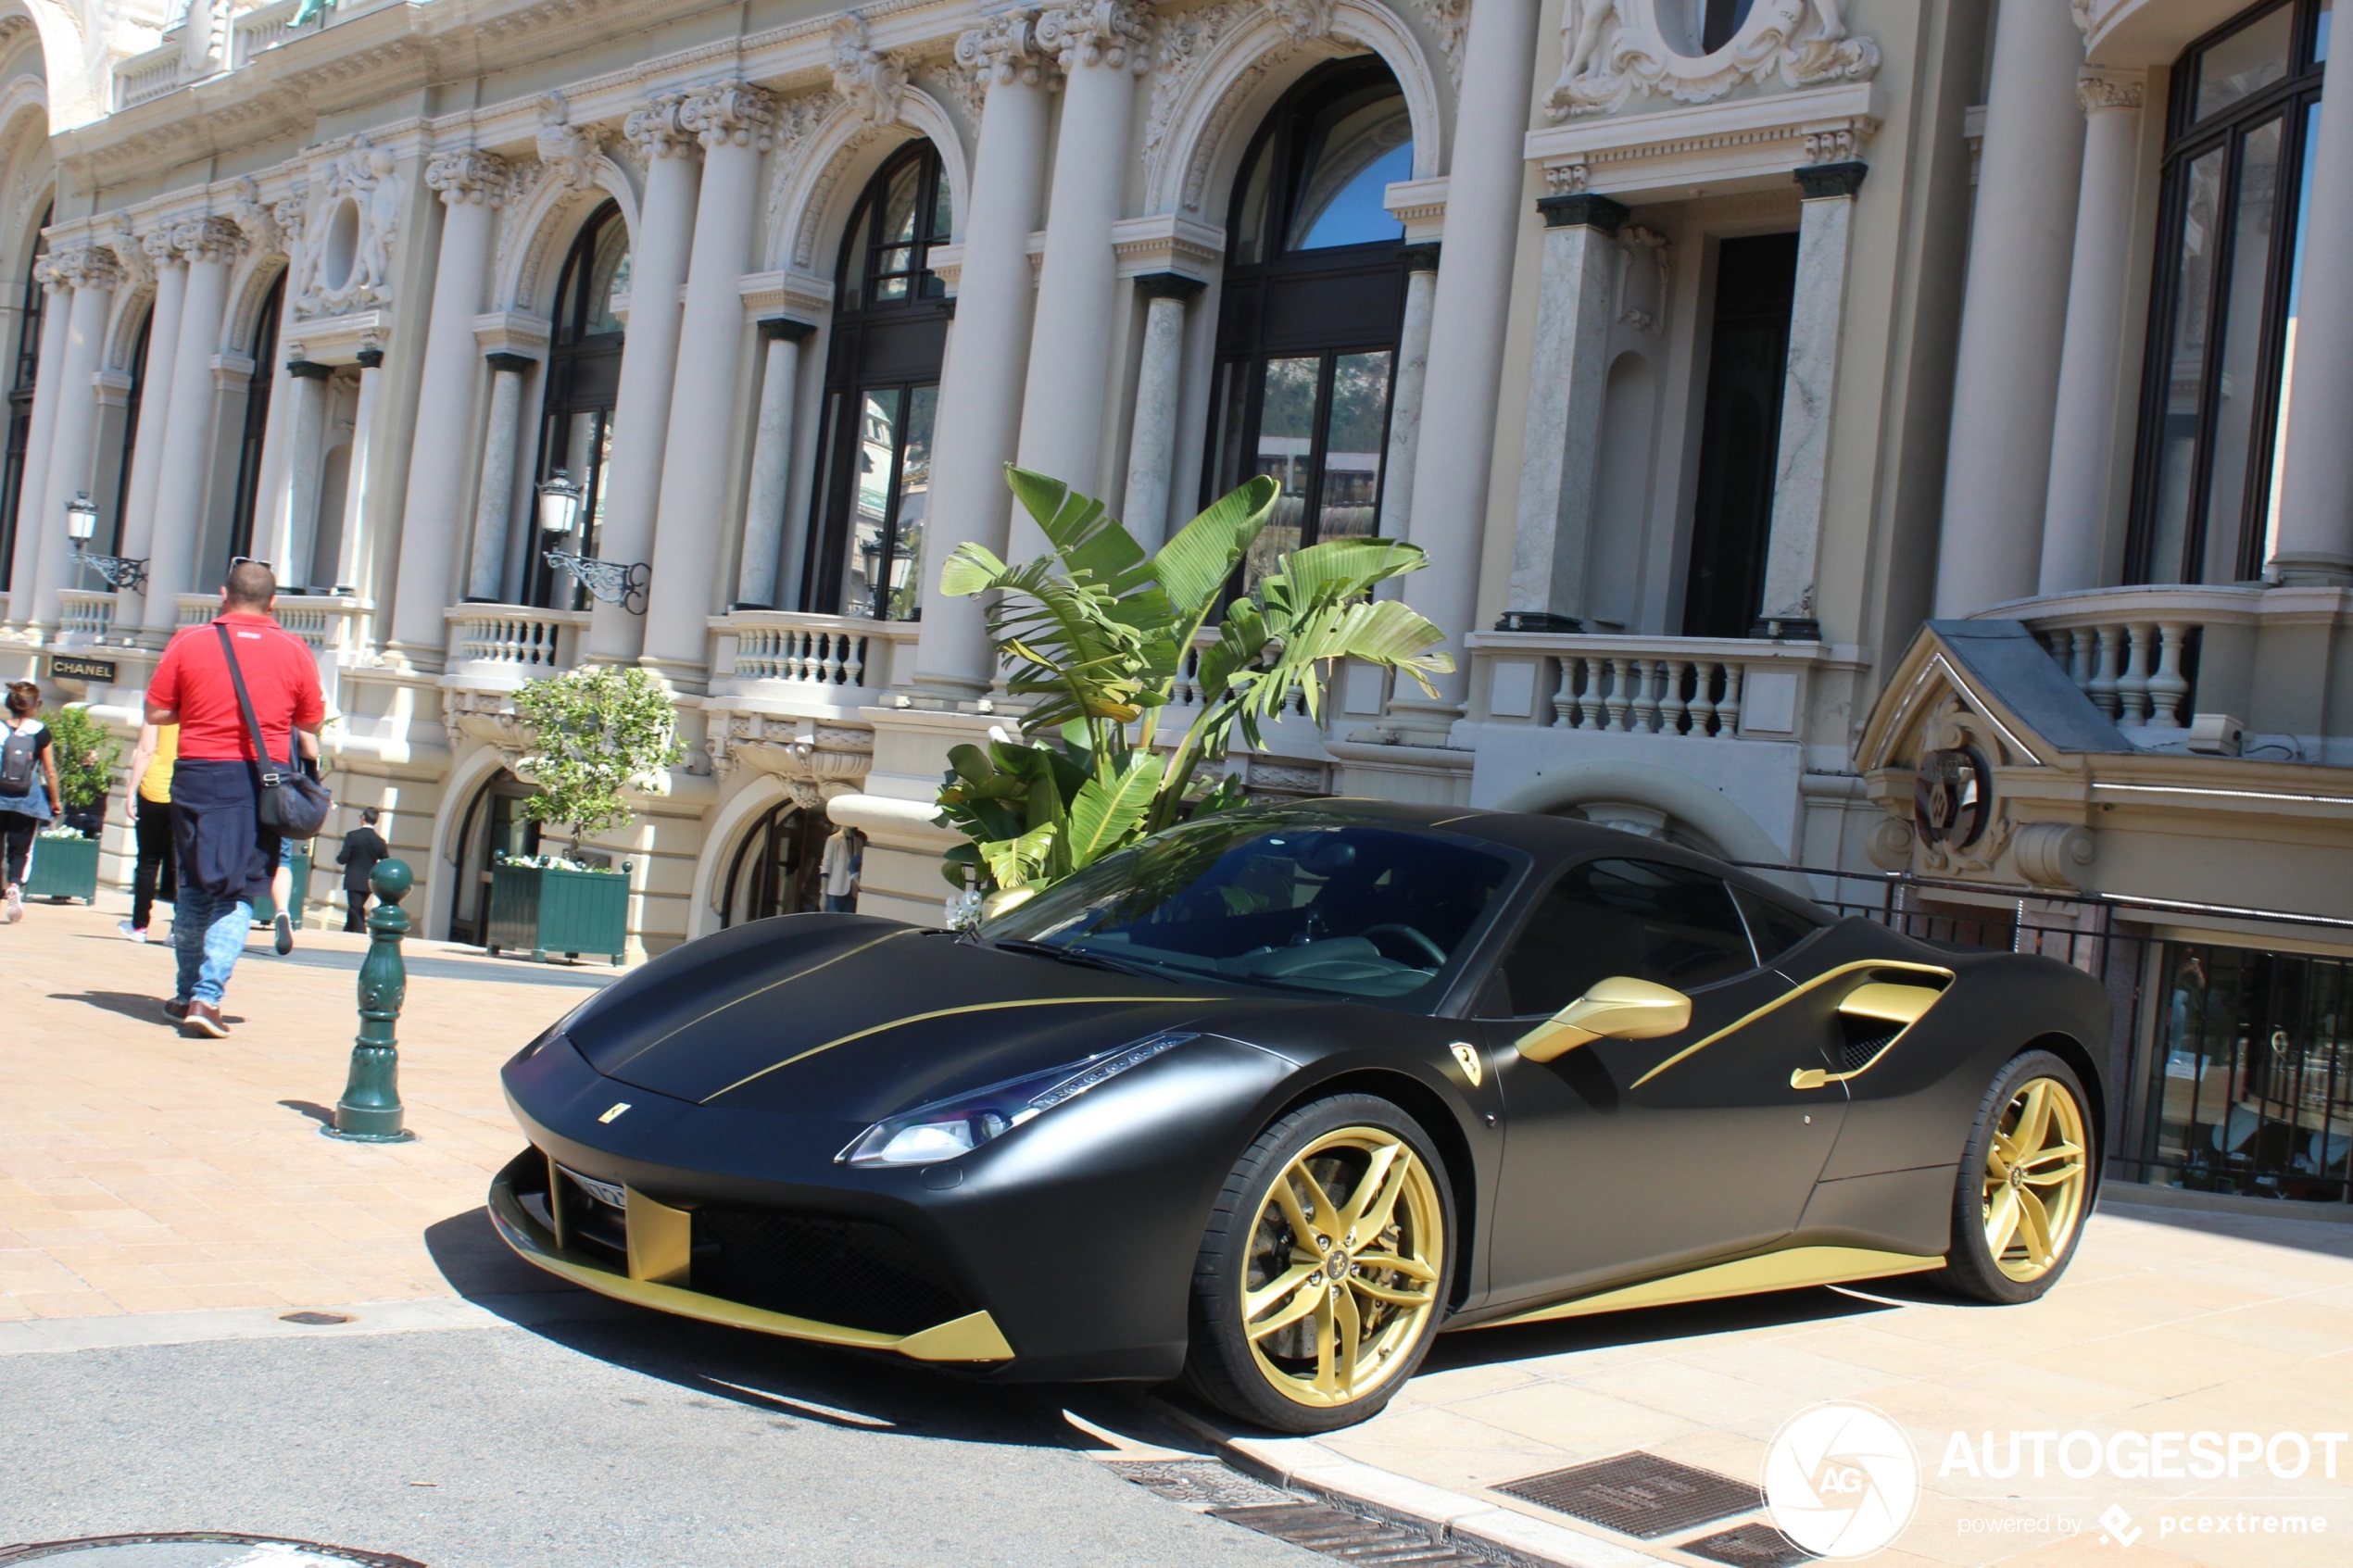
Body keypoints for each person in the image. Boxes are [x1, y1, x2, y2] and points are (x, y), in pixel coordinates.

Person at [145, 560, 324, 1038]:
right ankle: (208, 997)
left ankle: (186, 995)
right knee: (241, 888)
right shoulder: (294, 649)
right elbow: (310, 722)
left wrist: (201, 706)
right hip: (258, 781)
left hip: (198, 775)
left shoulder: (189, 641)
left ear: (223, 594)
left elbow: (158, 711)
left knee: (195, 886)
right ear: (274, 602)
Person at [0, 681, 62, 923]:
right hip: (27, 798)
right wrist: (55, 801)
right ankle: (15, 884)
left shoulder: (1, 728)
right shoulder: (41, 732)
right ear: (34, 705)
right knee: (20, 850)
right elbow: (50, 771)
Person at [119, 721, 180, 943]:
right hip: (184, 790)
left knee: (147, 861)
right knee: (180, 864)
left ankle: (139, 926)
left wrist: (131, 790)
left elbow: (146, 749)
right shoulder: (194, 704)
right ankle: (178, 929)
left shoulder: (157, 710)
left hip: (153, 789)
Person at [336, 808, 387, 932]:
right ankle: (347, 932)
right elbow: (386, 862)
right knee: (355, 907)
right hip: (368, 882)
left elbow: (343, 858)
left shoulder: (353, 836)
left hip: (353, 880)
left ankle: (361, 933)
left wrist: (340, 859)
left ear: (363, 818)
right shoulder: (380, 841)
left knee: (356, 908)